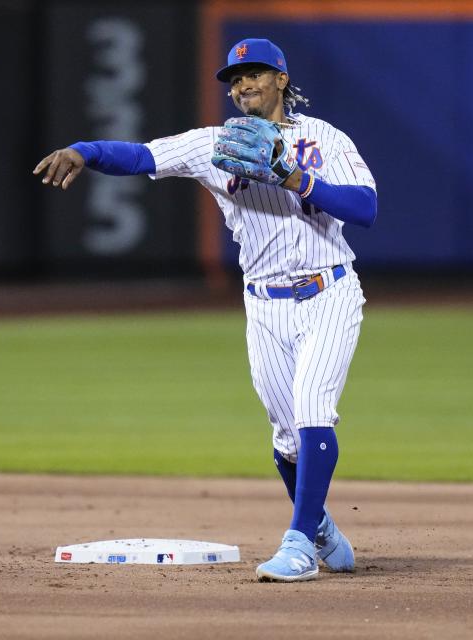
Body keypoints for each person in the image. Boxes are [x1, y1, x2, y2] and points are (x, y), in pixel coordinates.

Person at [33, 38, 376, 582]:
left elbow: (365, 207)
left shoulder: (324, 138)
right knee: (286, 437)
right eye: (234, 79)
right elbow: (143, 155)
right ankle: (320, 528)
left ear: (281, 80)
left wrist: (294, 177)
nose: (241, 86)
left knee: (313, 407)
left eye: (254, 75)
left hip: (328, 292)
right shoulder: (213, 145)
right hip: (264, 304)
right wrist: (85, 150)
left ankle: (298, 544)